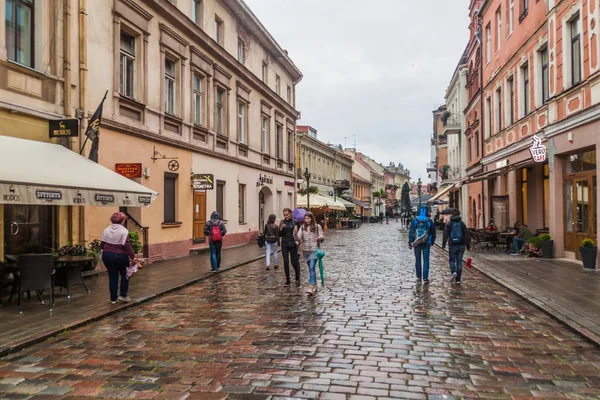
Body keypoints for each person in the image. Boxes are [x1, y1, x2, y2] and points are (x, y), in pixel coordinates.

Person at [101, 212, 136, 304]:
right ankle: (123, 295)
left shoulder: (106, 230)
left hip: (107, 255)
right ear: (122, 220)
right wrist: (133, 257)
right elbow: (127, 245)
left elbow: (102, 244)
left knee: (112, 276)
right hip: (120, 255)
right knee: (125, 275)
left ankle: (113, 299)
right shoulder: (124, 231)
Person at [295, 211, 324, 295]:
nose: (306, 220)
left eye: (308, 218)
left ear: (312, 218)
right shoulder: (302, 227)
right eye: (305, 218)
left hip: (314, 250)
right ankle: (314, 284)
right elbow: (299, 237)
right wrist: (295, 234)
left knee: (311, 267)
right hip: (305, 251)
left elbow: (322, 236)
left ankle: (310, 286)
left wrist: (320, 237)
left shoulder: (317, 226)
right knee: (311, 269)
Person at [408, 205, 436, 284]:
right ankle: (425, 277)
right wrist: (432, 242)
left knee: (418, 259)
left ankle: (419, 276)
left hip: (416, 242)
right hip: (426, 242)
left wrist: (410, 242)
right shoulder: (429, 220)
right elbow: (433, 232)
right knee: (426, 260)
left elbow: (411, 231)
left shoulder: (415, 220)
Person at [442, 209, 471, 284]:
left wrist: (443, 245)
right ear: (459, 215)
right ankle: (458, 279)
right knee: (459, 262)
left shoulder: (449, 224)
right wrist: (468, 246)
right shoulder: (462, 224)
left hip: (452, 245)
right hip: (461, 245)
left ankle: (453, 272)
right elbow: (466, 235)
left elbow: (445, 235)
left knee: (452, 260)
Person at [280, 208, 300, 287]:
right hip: (284, 243)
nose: (285, 216)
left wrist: (296, 232)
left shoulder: (295, 222)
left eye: (287, 214)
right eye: (284, 215)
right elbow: (279, 235)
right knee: (285, 261)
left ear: (290, 214)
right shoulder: (282, 222)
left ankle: (297, 276)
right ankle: (287, 280)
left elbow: (299, 235)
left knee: (293, 261)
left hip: (293, 243)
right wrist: (281, 229)